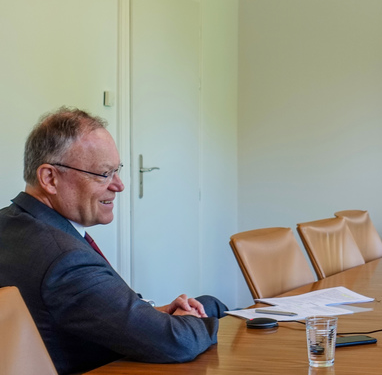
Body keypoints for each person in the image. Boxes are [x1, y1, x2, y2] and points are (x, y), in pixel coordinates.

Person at [0, 108, 228, 374]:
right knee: (213, 306)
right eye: (103, 174)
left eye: (116, 170)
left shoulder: (12, 224)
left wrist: (153, 315)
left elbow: (82, 311)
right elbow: (178, 342)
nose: (119, 185)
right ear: (50, 178)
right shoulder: (65, 260)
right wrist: (192, 320)